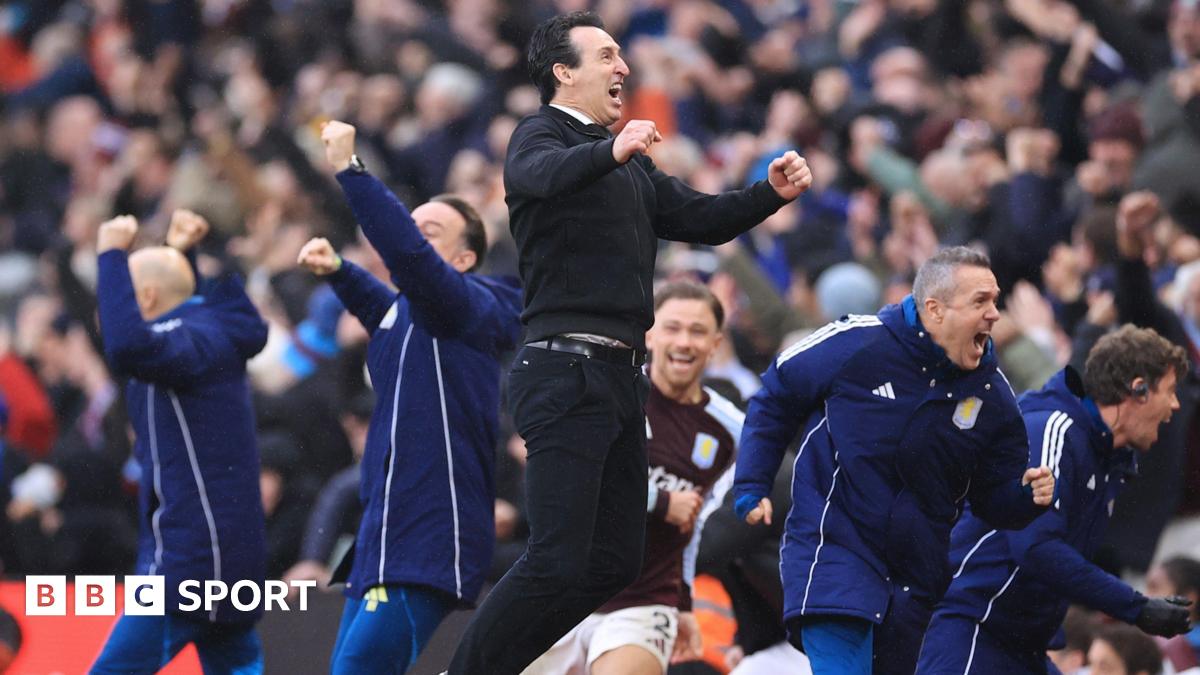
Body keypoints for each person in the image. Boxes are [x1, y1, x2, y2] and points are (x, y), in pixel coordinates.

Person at [449, 11, 813, 673]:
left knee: (613, 560)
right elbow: (540, 178)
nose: (623, 68)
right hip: (564, 368)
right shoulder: (540, 134)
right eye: (607, 56)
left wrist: (768, 194)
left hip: (620, 377)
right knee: (557, 555)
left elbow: (700, 217)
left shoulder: (631, 169)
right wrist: (612, 149)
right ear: (564, 71)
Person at [732, 246, 1057, 674]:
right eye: (980, 301)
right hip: (834, 555)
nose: (995, 314)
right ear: (935, 310)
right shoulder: (855, 341)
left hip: (914, 582)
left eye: (995, 300)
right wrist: (752, 484)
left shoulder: (993, 397)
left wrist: (1027, 496)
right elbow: (774, 395)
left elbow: (993, 500)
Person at [296, 120, 522, 674]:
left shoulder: (467, 307)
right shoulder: (414, 315)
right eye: (412, 227)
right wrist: (342, 273)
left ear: (465, 261)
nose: (413, 239)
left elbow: (408, 262)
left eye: (430, 233)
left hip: (429, 537)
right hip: (386, 535)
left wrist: (352, 172)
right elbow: (387, 311)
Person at [918, 325, 1194, 674]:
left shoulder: (1110, 461)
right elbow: (1035, 547)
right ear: (1138, 389)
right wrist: (1137, 607)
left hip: (1025, 644)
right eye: (1169, 391)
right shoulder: (1052, 430)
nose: (1175, 405)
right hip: (974, 627)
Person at [523, 280, 742, 675]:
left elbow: (693, 527)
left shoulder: (731, 430)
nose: (684, 342)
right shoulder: (611, 391)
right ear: (651, 334)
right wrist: (660, 501)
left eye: (698, 331)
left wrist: (683, 600)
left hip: (644, 601)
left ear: (715, 343)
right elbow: (573, 479)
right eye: (673, 327)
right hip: (564, 588)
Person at [89, 210, 269, 674]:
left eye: (124, 292)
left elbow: (126, 345)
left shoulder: (185, 339)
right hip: (225, 557)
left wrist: (111, 253)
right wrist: (185, 253)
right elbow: (246, 327)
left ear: (146, 295)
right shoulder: (207, 335)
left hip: (190, 560)